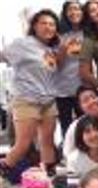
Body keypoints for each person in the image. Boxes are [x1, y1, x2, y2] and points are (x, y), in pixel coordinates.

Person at [0, 10, 65, 178]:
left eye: (52, 24)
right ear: (34, 26)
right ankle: (2, 175)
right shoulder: (23, 44)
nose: (48, 27)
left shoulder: (50, 48)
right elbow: (2, 56)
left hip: (48, 101)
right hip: (27, 99)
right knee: (23, 144)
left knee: (47, 143)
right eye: (44, 23)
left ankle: (50, 180)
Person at [55, 0, 85, 136]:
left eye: (77, 9)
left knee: (86, 125)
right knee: (67, 129)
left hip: (84, 87)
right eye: (70, 10)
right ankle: (68, 156)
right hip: (63, 89)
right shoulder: (58, 35)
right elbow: (55, 65)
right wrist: (62, 49)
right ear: (65, 14)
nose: (74, 12)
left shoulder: (87, 32)